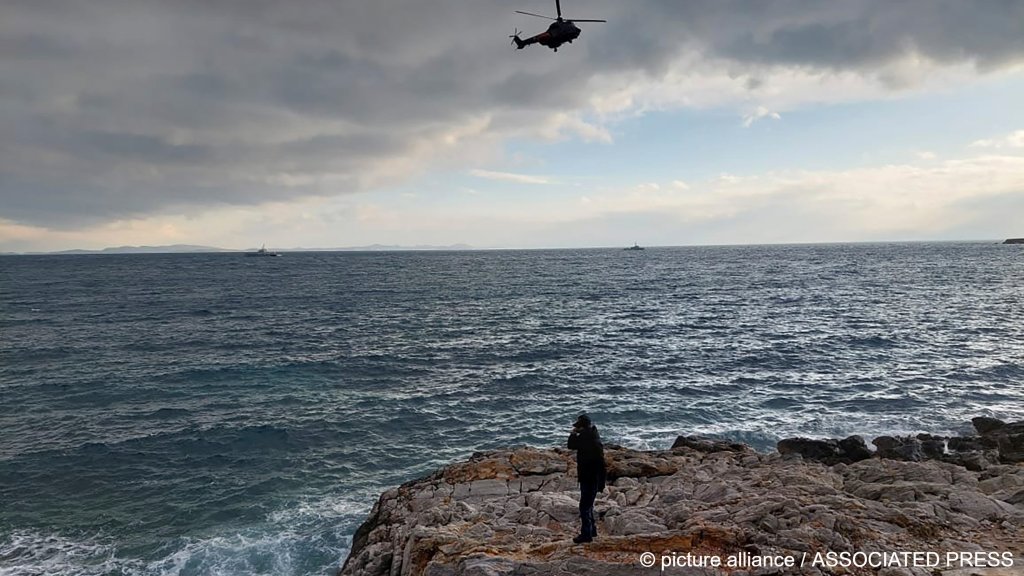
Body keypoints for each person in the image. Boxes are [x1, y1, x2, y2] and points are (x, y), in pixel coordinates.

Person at [567, 413, 606, 544]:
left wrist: (573, 433)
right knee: (588, 505)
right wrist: (602, 482)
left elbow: (571, 445)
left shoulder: (585, 439)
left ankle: (586, 534)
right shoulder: (593, 436)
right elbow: (602, 463)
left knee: (584, 507)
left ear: (582, 427)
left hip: (588, 477)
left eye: (578, 427)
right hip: (593, 477)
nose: (577, 428)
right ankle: (592, 530)